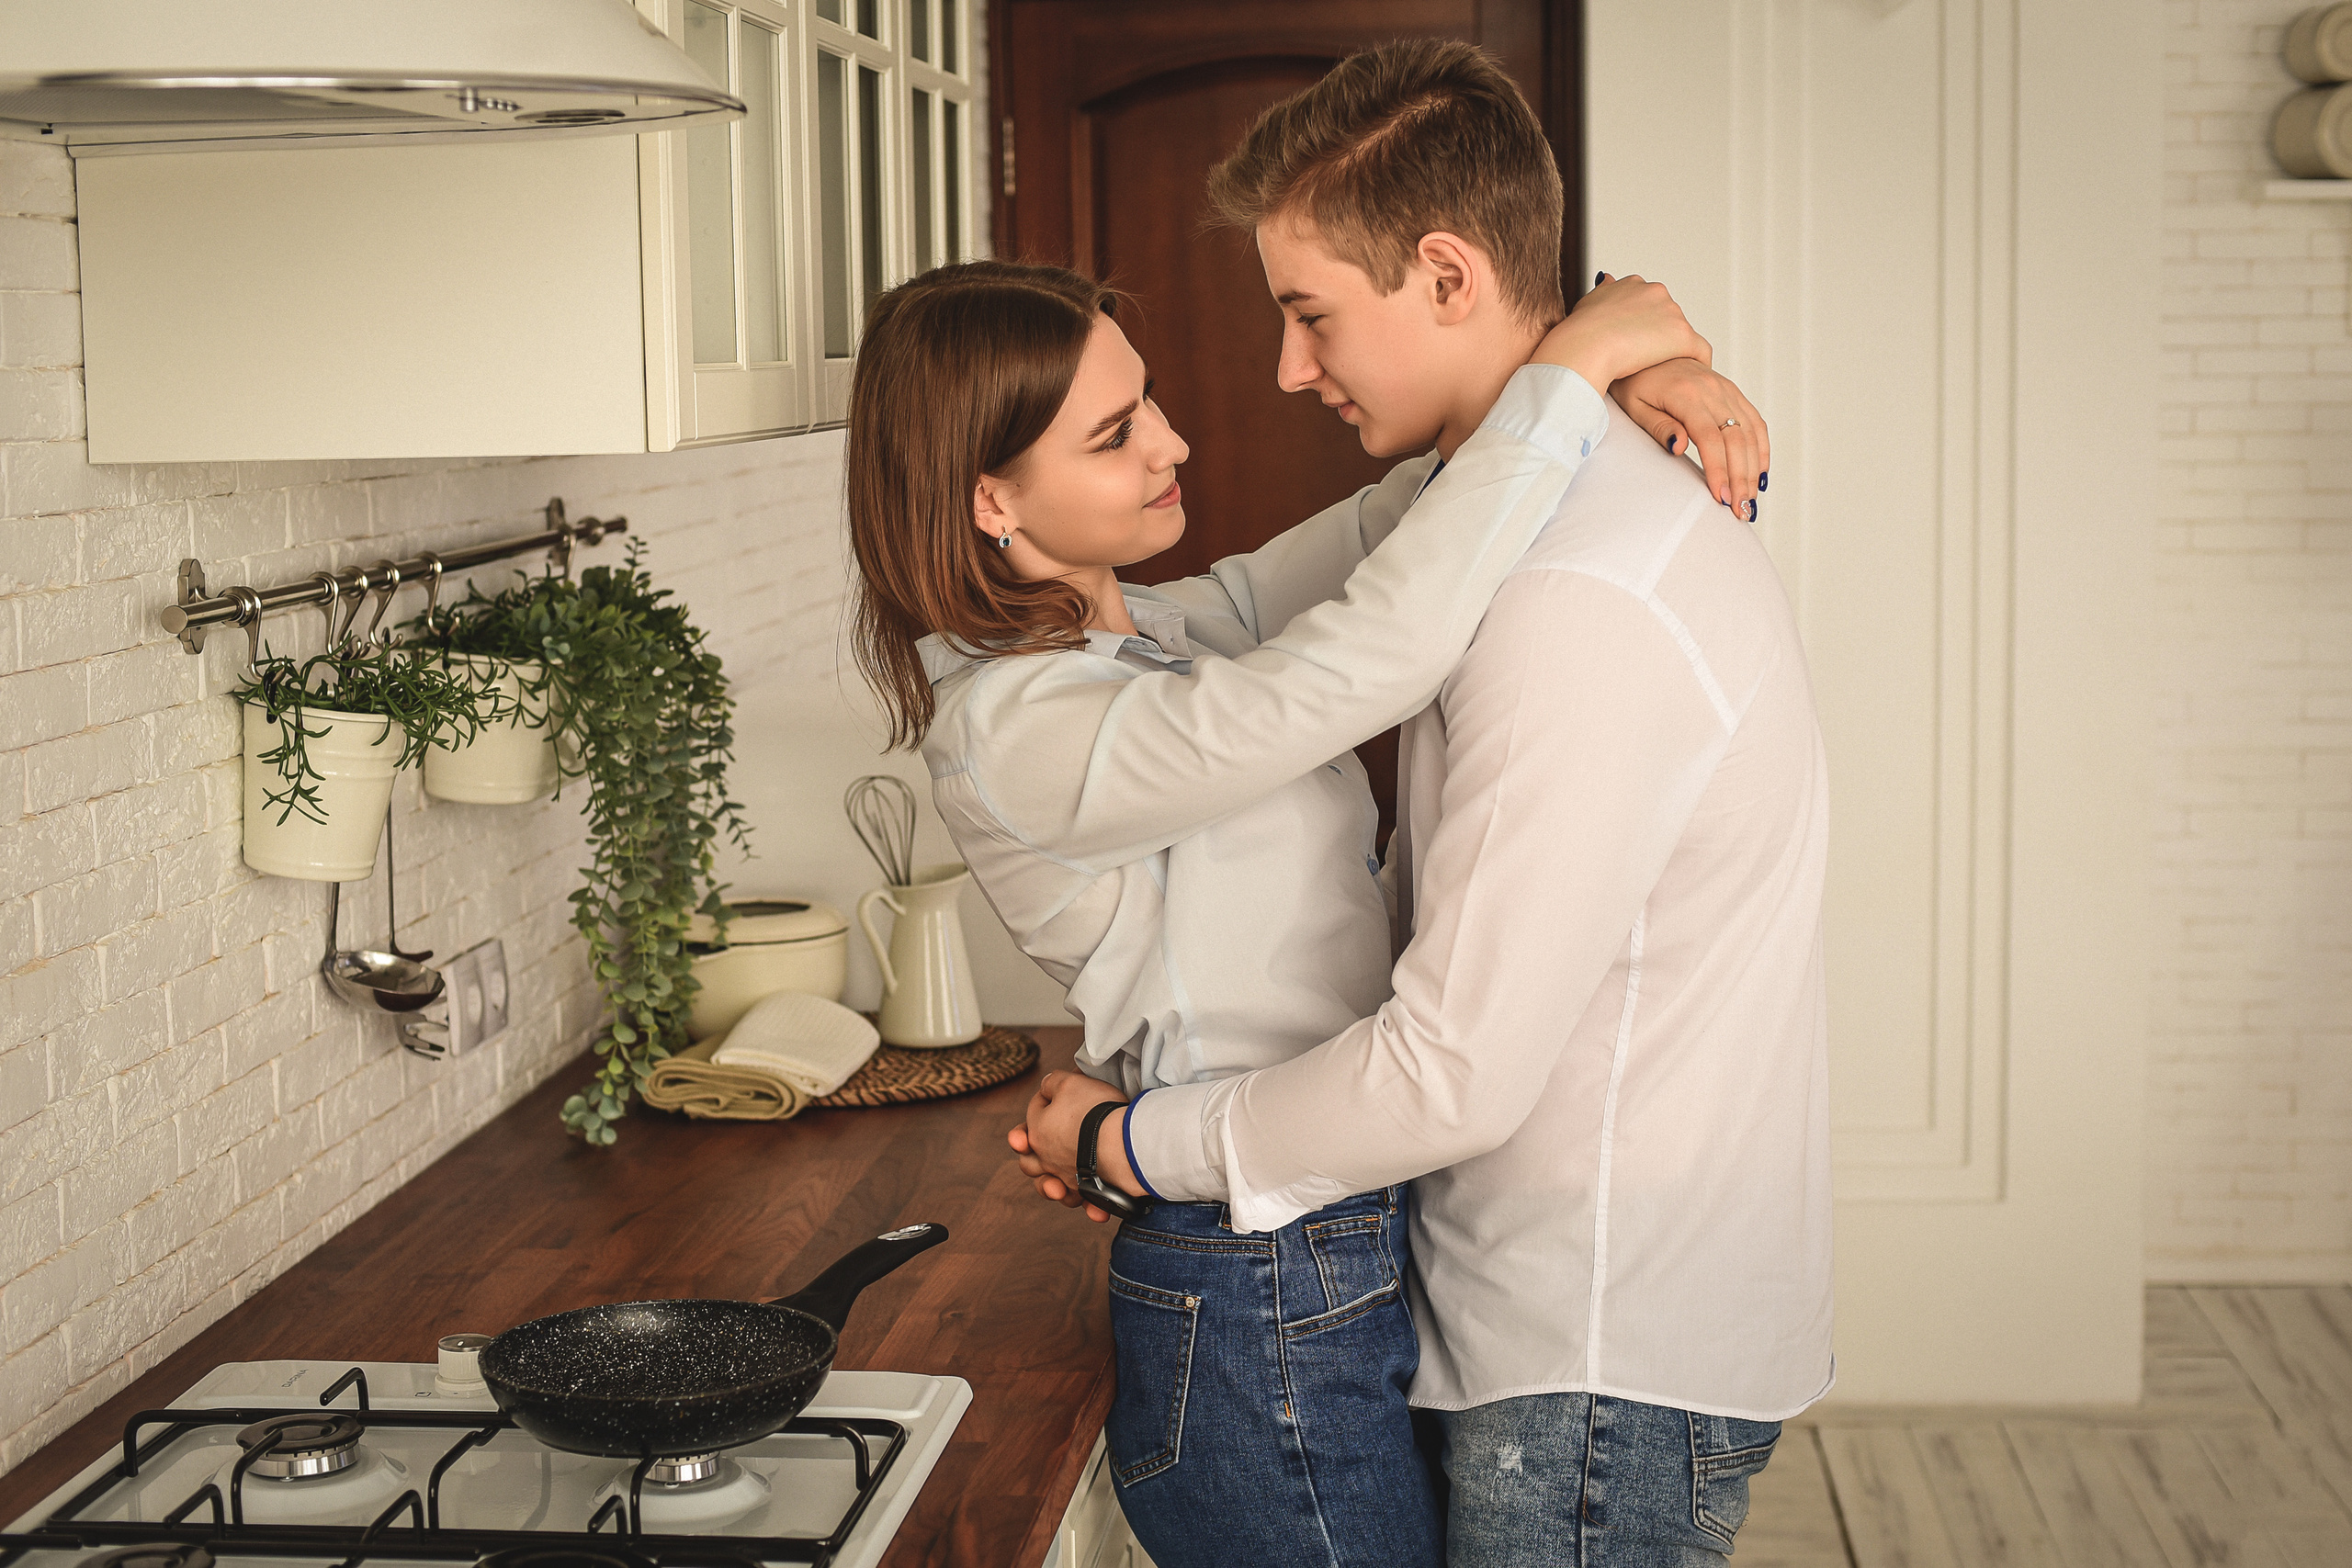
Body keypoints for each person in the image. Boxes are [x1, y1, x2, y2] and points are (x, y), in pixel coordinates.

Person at [1014, 39, 1833, 1568]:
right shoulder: (1519, 516)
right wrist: (1605, 352)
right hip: (1556, 1313)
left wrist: (1138, 1148)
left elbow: (1452, 1072)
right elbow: (1266, 607)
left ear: (1447, 275)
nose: (1284, 371)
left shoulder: (1573, 594)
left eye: (1311, 314)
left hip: (1593, 1349)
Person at [848, 244, 1759, 1568]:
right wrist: (1569, 369)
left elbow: (1412, 515)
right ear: (991, 497)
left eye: (1146, 398)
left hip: (1318, 1231)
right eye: (1114, 435)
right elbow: (1371, 656)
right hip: (1251, 1279)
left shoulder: (1158, 631)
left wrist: (1620, 370)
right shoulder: (1019, 725)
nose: (1173, 439)